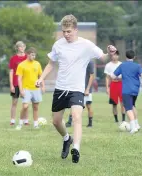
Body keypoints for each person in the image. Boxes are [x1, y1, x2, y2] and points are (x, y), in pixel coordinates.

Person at [35, 14, 117, 163]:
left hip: (77, 89)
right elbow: (51, 64)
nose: (66, 34)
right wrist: (41, 78)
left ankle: (76, 148)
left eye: (69, 31)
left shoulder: (86, 45)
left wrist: (110, 54)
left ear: (76, 30)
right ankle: (67, 139)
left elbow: (103, 58)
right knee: (56, 121)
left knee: (77, 117)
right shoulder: (58, 45)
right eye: (64, 31)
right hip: (60, 88)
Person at [111, 50, 142, 134]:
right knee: (132, 106)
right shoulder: (137, 66)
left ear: (125, 57)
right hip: (135, 90)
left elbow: (113, 76)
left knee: (128, 108)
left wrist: (120, 78)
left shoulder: (122, 65)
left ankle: (133, 128)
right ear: (134, 57)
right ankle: (137, 124)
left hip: (126, 90)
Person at [16, 47, 45, 130]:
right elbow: (19, 79)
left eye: (34, 55)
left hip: (36, 89)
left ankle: (36, 124)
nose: (34, 57)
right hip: (26, 89)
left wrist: (43, 86)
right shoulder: (22, 65)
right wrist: (21, 90)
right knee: (25, 106)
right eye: (32, 55)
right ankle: (20, 124)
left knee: (35, 107)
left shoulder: (37, 64)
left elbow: (41, 76)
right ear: (27, 54)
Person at [65, 60, 95, 127]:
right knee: (74, 104)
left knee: (88, 105)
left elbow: (92, 76)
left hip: (86, 89)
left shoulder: (90, 62)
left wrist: (87, 89)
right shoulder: (78, 61)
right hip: (77, 88)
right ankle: (70, 122)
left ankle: (90, 123)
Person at [8, 41, 28, 125]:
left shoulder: (28, 57)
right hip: (16, 83)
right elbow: (11, 71)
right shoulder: (13, 58)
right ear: (17, 48)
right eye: (20, 46)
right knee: (14, 102)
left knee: (25, 103)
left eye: (23, 46)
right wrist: (11, 85)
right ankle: (12, 120)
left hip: (26, 83)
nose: (22, 48)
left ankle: (25, 121)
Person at [104, 51, 126, 123]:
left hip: (121, 84)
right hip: (113, 84)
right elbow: (107, 77)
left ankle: (123, 119)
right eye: (113, 55)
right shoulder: (108, 65)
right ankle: (116, 120)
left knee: (123, 103)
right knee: (114, 104)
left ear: (118, 56)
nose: (114, 56)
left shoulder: (121, 64)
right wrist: (107, 87)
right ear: (111, 56)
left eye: (116, 55)